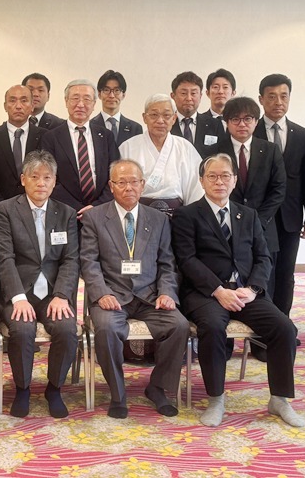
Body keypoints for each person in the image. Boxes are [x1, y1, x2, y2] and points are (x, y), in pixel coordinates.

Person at [171, 153, 303, 428]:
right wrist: (218, 290)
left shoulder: (248, 215)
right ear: (201, 181)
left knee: (285, 328)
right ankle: (216, 399)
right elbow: (187, 260)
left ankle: (279, 399)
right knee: (212, 328)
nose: (219, 182)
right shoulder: (186, 215)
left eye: (225, 176)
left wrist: (253, 289)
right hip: (205, 293)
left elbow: (263, 257)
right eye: (212, 176)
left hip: (245, 292)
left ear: (234, 181)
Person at [81, 159, 189, 419]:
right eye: (121, 182)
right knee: (107, 329)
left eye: (134, 182)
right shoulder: (95, 217)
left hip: (149, 296)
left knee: (179, 325)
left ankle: (157, 388)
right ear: (111, 186)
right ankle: (118, 394)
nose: (128, 187)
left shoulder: (158, 219)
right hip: (112, 295)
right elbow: (88, 262)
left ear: (142, 185)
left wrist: (167, 292)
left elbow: (167, 263)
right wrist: (102, 293)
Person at [0, 150, 79, 418]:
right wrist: (18, 298)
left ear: (55, 181)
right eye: (34, 177)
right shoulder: (5, 210)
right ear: (23, 179)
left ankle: (54, 388)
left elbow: (71, 259)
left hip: (53, 292)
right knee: (22, 329)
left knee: (67, 329)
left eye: (47, 177)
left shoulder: (66, 213)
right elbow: (4, 257)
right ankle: (23, 389)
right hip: (19, 291)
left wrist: (62, 294)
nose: (41, 183)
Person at [207, 97, 286, 289]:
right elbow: (211, 188)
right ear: (227, 122)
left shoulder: (270, 150)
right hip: (226, 228)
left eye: (247, 119)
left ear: (256, 121)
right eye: (235, 119)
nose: (242, 124)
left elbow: (278, 189)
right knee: (229, 282)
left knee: (264, 283)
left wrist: (258, 220)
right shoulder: (214, 152)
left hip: (263, 227)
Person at [254, 74, 305, 320]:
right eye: (271, 96)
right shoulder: (250, 130)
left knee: (286, 273)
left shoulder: (303, 135)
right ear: (261, 99)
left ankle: (282, 324)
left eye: (283, 96)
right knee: (261, 272)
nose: (278, 102)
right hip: (259, 216)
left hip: (290, 216)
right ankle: (262, 324)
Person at [40, 79, 120, 218]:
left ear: (94, 104)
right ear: (66, 101)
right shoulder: (51, 137)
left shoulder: (106, 136)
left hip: (102, 211)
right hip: (65, 212)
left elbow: (115, 174)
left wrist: (97, 206)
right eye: (75, 98)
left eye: (87, 99)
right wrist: (78, 209)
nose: (81, 104)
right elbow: (49, 177)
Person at [120, 94, 203, 215]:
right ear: (144, 118)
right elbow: (119, 185)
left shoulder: (185, 148)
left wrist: (189, 218)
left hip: (178, 217)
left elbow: (196, 188)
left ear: (174, 118)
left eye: (166, 115)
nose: (160, 120)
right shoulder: (128, 147)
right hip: (138, 215)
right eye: (154, 115)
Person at [0, 85, 45, 212]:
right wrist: (3, 208)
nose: (18, 106)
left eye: (24, 100)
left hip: (37, 209)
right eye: (12, 100)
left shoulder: (45, 136)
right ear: (5, 106)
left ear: (32, 106)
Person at [169, 71, 224, 158]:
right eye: (183, 93)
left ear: (200, 96)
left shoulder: (215, 124)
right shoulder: (166, 125)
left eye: (193, 93)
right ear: (173, 96)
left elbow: (222, 156)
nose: (189, 98)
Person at [89, 70, 142, 146]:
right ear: (99, 94)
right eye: (106, 90)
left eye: (117, 90)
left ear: (123, 95)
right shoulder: (89, 126)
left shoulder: (135, 129)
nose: (111, 95)